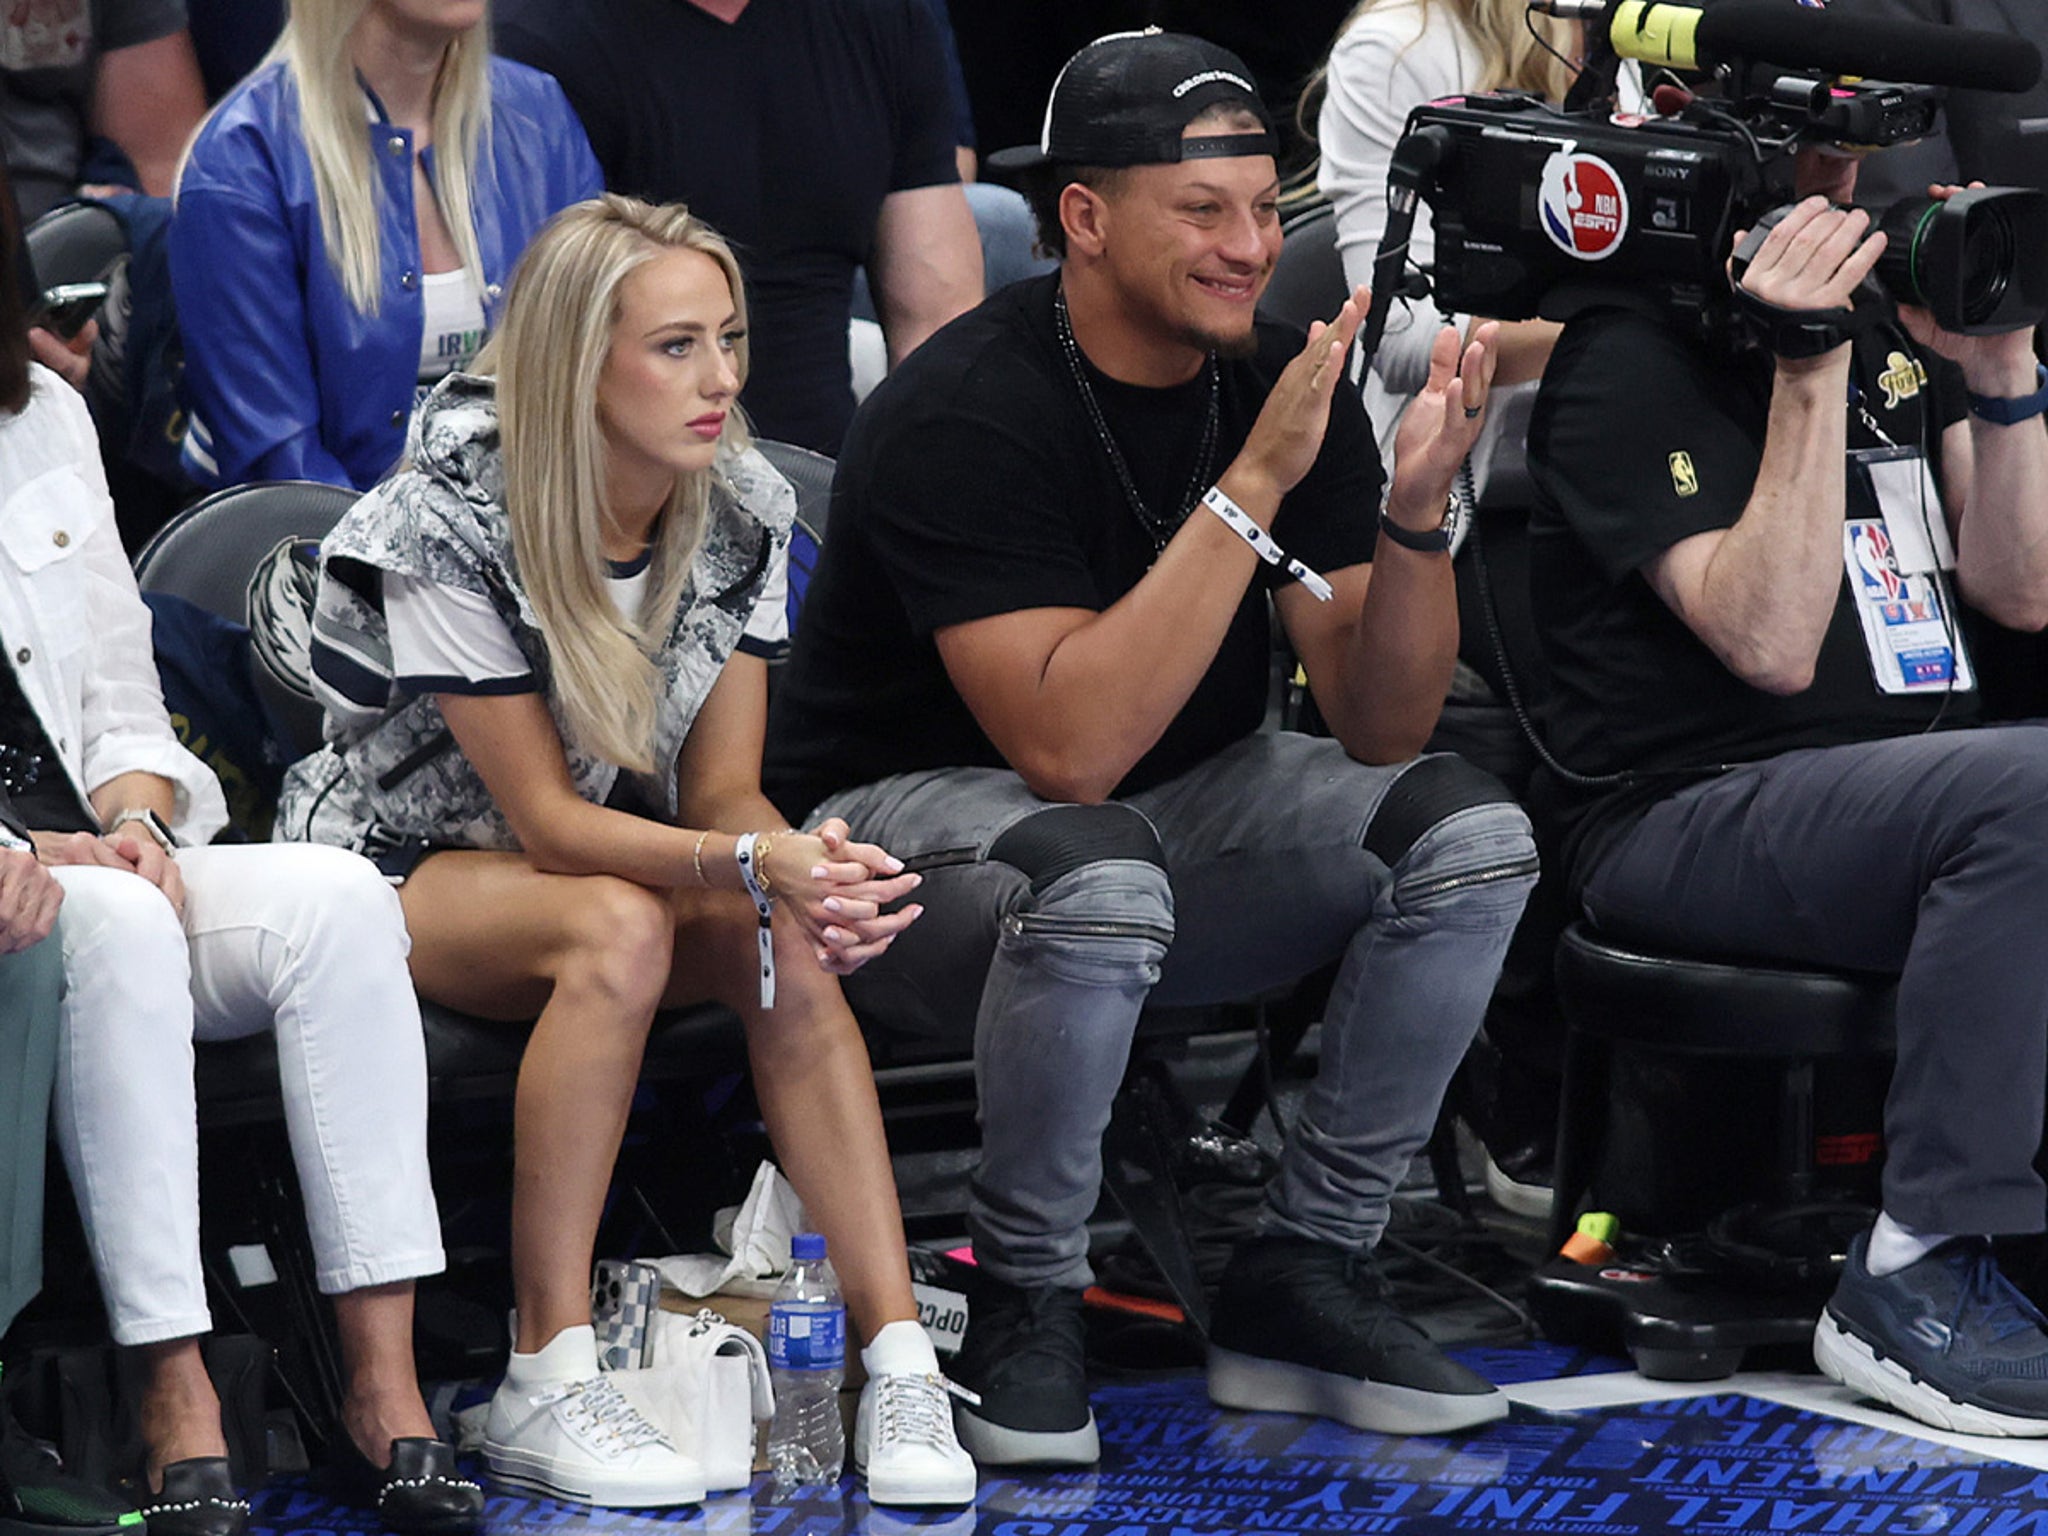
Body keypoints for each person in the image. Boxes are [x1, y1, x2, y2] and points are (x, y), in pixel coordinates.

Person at [765, 30, 1539, 1464]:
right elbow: (1070, 749)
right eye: (1206, 212)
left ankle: (1303, 1267)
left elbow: (1382, 724)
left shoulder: (1266, 384)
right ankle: (1027, 1296)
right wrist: (1252, 491)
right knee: (1098, 865)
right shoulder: (964, 405)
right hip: (891, 862)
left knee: (1466, 833)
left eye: (1266, 206)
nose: (1254, 247)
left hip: (1165, 817)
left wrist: (1417, 512)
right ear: (1083, 217)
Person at [274, 194, 977, 1511]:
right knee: (618, 923)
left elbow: (724, 792)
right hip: (379, 867)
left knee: (780, 934)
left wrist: (805, 867)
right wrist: (750, 864)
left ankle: (896, 1364)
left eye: (730, 338)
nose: (721, 380)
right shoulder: (444, 519)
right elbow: (544, 821)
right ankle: (548, 1365)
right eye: (676, 348)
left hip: (596, 861)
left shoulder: (742, 506)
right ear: (576, 365)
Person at [1526, 132, 2048, 1436]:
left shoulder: (1893, 340)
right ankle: (1918, 1265)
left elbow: (2020, 589)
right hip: (1681, 812)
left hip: (1902, 801)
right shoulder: (1623, 355)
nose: (1838, 202)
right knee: (2030, 792)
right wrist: (1805, 372)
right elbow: (1767, 642)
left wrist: (1998, 374)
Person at [0, 160, 476, 1536]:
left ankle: (382, 1387)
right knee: (121, 925)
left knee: (333, 898)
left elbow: (121, 695)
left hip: (93, 845)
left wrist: (140, 818)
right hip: (29, 887)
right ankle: (175, 1384)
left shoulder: (39, 417)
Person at [493, 0, 983, 456]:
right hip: (620, 490)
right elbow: (539, 334)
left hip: (823, 486)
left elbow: (938, 320)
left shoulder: (885, 17)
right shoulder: (537, 37)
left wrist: (918, 492)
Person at [170, 0, 600, 491]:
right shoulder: (240, 159)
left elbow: (595, 378)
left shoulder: (539, 117)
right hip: (329, 547)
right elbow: (282, 467)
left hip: (536, 535)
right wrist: (404, 566)